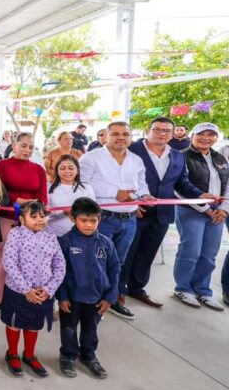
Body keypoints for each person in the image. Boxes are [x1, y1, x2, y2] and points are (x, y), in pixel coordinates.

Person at [123, 117, 209, 309]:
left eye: (166, 131)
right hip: (135, 211)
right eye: (157, 129)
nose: (162, 134)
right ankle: (118, 291)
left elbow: (182, 184)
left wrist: (201, 194)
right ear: (148, 130)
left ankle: (137, 288)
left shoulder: (177, 155)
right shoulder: (131, 150)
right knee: (126, 253)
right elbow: (121, 178)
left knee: (147, 254)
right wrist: (130, 202)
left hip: (162, 213)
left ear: (173, 134)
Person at [79, 122, 152, 320]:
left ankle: (109, 300)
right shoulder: (91, 157)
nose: (121, 138)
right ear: (106, 135)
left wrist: (145, 195)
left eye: (125, 134)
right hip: (103, 218)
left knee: (117, 262)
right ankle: (90, 302)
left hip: (129, 219)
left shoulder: (136, 160)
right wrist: (114, 193)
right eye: (116, 134)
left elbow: (142, 184)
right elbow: (83, 185)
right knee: (95, 260)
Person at [57, 198, 120, 379]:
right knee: (68, 329)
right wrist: (62, 296)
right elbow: (59, 272)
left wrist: (110, 297)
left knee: (90, 330)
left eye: (94, 220)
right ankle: (68, 356)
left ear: (100, 220)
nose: (89, 225)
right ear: (73, 219)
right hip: (72, 298)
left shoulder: (106, 243)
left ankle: (89, 356)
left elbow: (114, 269)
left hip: (97, 298)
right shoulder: (65, 242)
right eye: (84, 220)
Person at [1, 201, 65, 378]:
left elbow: (60, 264)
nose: (40, 220)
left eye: (43, 216)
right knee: (14, 323)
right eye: (34, 216)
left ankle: (29, 355)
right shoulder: (16, 234)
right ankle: (12, 353)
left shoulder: (51, 236)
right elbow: (9, 263)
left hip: (42, 293)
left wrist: (49, 289)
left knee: (34, 325)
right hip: (18, 291)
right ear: (22, 219)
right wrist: (26, 290)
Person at [173, 123, 229, 311]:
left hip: (217, 211)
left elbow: (227, 185)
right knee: (191, 251)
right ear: (193, 135)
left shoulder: (220, 158)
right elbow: (179, 187)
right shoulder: (181, 156)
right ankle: (183, 288)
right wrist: (204, 208)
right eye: (201, 134)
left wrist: (224, 209)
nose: (206, 138)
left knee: (209, 255)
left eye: (211, 134)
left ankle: (203, 290)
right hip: (192, 210)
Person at [0, 134, 48, 308]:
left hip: (30, 221)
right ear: (14, 145)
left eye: (31, 147)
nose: (27, 150)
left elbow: (43, 197)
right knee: (3, 256)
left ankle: (24, 292)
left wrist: (32, 208)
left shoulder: (38, 169)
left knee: (27, 257)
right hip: (7, 217)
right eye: (23, 145)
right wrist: (18, 200)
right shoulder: (2, 165)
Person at [46, 155, 96, 237]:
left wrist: (80, 212)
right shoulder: (48, 187)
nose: (67, 171)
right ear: (57, 170)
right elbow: (43, 213)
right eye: (62, 168)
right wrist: (62, 212)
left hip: (80, 236)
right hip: (53, 235)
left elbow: (94, 212)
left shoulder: (86, 188)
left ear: (77, 170)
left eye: (71, 168)